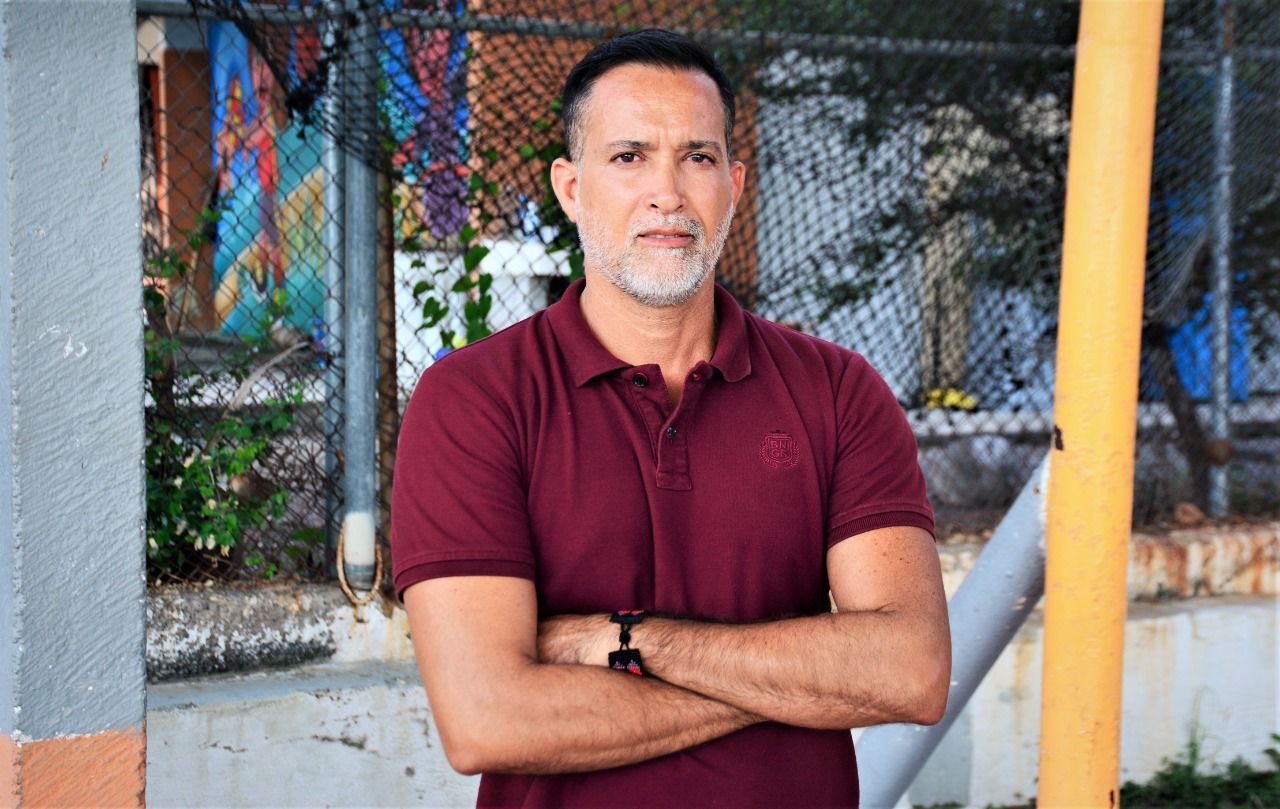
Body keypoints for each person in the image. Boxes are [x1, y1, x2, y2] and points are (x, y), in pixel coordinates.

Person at [391, 29, 951, 809]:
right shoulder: (475, 399)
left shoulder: (837, 390)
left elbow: (912, 671)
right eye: (629, 156)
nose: (668, 192)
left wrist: (623, 640)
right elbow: (488, 719)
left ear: (734, 184)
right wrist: (792, 683)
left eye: (698, 157)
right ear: (571, 187)